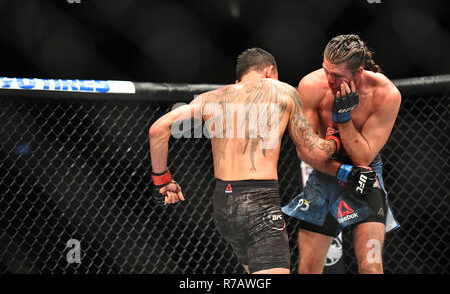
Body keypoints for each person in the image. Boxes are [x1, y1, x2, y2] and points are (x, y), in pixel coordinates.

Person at [149, 47, 376, 274]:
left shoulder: (211, 98)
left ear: (239, 78)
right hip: (259, 201)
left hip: (223, 205)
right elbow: (314, 151)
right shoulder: (282, 91)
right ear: (270, 72)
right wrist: (334, 141)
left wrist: (162, 180)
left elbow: (157, 130)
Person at [282, 34, 401, 274]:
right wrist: (342, 171)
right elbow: (307, 151)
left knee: (371, 268)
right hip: (325, 174)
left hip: (365, 175)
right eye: (326, 70)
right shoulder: (311, 86)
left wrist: (343, 119)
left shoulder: (386, 94)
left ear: (358, 72)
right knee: (309, 270)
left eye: (337, 75)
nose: (329, 79)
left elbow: (363, 157)